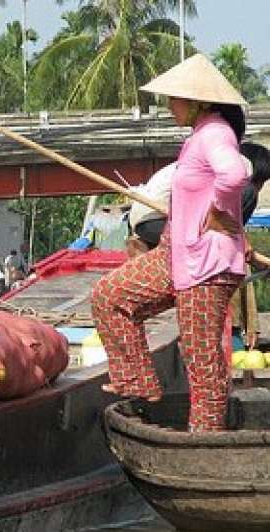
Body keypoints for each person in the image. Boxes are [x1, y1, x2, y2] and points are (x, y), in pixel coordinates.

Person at [90, 54, 251, 432]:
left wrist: (218, 213)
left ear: (198, 102)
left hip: (207, 263)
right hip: (176, 253)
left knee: (201, 359)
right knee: (109, 297)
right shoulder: (200, 135)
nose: (169, 106)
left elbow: (233, 174)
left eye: (174, 99)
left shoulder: (214, 132)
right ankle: (137, 381)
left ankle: (206, 441)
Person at [127, 142, 270, 252]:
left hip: (147, 224)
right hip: (155, 222)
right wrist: (238, 240)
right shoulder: (241, 168)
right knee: (249, 193)